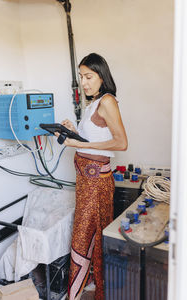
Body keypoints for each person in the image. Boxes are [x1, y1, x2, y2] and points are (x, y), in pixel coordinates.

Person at [56, 53, 127, 300]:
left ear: (101, 76)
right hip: (87, 181)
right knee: (89, 234)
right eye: (81, 77)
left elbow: (121, 143)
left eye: (89, 77)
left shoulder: (107, 101)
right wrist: (74, 132)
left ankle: (85, 291)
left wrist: (77, 143)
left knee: (86, 234)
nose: (83, 83)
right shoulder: (93, 102)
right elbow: (92, 140)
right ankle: (92, 286)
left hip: (97, 182)